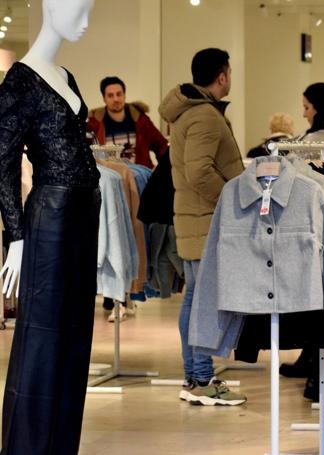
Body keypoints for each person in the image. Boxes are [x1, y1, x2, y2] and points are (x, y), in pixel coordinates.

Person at [0, 0, 101, 453]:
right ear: (51, 6)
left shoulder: (66, 77)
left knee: (76, 336)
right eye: (78, 9)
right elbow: (0, 162)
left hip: (83, 213)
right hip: (51, 215)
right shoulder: (20, 81)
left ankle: (62, 444)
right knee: (41, 338)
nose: (84, 21)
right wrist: (16, 235)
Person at [159, 47, 246, 406]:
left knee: (196, 299)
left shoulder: (190, 114)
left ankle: (196, 377)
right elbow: (199, 173)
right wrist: (230, 199)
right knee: (202, 301)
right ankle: (201, 378)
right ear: (222, 75)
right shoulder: (205, 117)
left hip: (196, 219)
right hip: (205, 221)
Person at [280, 82, 324, 382]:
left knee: (313, 293)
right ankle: (312, 358)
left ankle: (317, 363)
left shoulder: (314, 142)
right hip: (323, 224)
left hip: (308, 225)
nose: (303, 113)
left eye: (306, 107)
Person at [87, 76, 168, 168]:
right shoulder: (94, 124)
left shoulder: (141, 120)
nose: (116, 99)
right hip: (111, 178)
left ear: (124, 95)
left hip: (140, 177)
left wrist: (163, 173)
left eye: (119, 94)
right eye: (110, 95)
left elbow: (162, 146)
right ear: (104, 98)